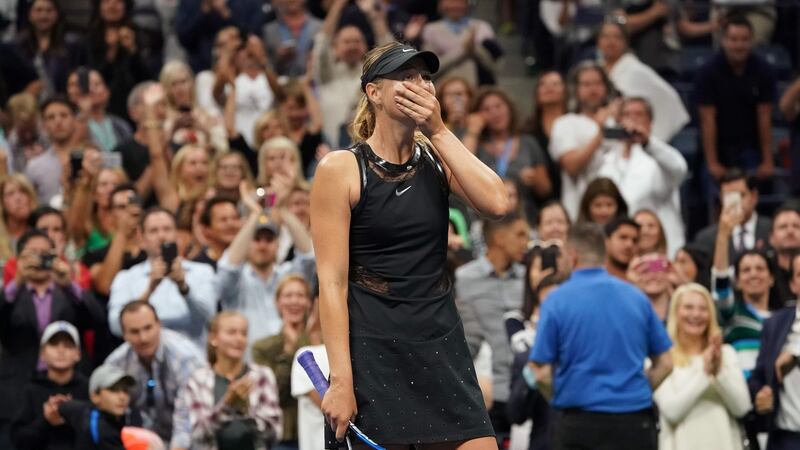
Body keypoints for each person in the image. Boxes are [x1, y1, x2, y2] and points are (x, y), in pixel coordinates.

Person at [311, 41, 507, 446]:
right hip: (374, 344)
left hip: (439, 337)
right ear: (374, 92)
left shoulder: (437, 154)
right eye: (404, 77)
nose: (419, 85)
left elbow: (497, 202)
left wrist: (437, 128)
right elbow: (331, 283)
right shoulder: (341, 168)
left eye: (424, 77)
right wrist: (341, 381)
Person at [529, 223, 673, 450]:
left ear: (572, 255)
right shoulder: (636, 297)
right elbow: (665, 364)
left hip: (578, 425)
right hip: (635, 424)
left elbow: (540, 373)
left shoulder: (556, 301)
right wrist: (636, 392)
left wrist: (559, 397)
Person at [0, 230, 104, 448]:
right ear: (18, 258)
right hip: (18, 388)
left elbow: (98, 320)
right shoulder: (11, 293)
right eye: (32, 253)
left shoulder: (66, 291)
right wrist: (17, 281)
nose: (39, 259)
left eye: (44, 253)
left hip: (68, 384)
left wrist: (70, 284)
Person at [456, 212, 529, 439]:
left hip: (525, 392)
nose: (526, 242)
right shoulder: (463, 278)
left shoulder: (528, 278)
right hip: (483, 395)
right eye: (519, 235)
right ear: (499, 238)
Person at [654, 283, 752, 450]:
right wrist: (706, 374)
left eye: (703, 308)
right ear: (675, 312)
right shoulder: (662, 358)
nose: (696, 314)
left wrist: (719, 373)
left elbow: (742, 407)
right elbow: (672, 411)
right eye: (688, 307)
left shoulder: (726, 354)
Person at [215, 183, 314, 346]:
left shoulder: (288, 276)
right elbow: (228, 268)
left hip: (289, 362)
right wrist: (254, 215)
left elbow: (308, 256)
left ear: (277, 245)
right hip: (250, 366)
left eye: (269, 239)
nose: (262, 245)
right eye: (257, 239)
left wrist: (283, 210)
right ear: (248, 242)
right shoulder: (238, 282)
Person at [107, 207, 217, 348]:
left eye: (167, 229)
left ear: (177, 234)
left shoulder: (202, 272)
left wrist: (184, 287)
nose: (161, 236)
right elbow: (116, 327)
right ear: (141, 237)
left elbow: (210, 320)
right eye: (153, 231)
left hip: (193, 362)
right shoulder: (126, 278)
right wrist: (149, 289)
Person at [172, 311, 282, 450]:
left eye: (243, 333)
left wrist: (246, 413)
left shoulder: (262, 376)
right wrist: (227, 406)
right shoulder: (198, 380)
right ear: (214, 338)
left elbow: (275, 433)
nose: (239, 338)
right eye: (231, 332)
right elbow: (198, 434)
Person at [105, 300, 207, 448]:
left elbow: (186, 421)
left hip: (193, 440)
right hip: (146, 439)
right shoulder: (116, 363)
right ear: (124, 334)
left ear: (159, 325)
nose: (143, 338)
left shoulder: (185, 357)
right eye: (134, 331)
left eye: (148, 328)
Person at [597, 96, 688, 256]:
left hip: (660, 246)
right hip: (623, 248)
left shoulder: (658, 156)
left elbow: (679, 169)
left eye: (638, 114)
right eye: (627, 114)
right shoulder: (607, 161)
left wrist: (647, 142)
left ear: (650, 121)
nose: (632, 119)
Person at [695, 15, 776, 181]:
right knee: (708, 181)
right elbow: (707, 119)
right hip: (717, 146)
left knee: (762, 184)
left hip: (750, 146)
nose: (739, 45)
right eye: (733, 39)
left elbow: (765, 116)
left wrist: (768, 160)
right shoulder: (707, 72)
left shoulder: (764, 70)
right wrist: (712, 163)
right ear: (723, 40)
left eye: (744, 40)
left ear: (752, 41)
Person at [311, 0, 392, 147]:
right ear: (335, 47)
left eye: (357, 41)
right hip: (332, 148)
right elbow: (322, 45)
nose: (352, 46)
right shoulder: (326, 75)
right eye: (347, 42)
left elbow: (389, 54)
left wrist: (376, 19)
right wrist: (337, 6)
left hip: (369, 146)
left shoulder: (372, 74)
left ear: (365, 46)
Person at [464, 87, 551, 223]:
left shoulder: (529, 143)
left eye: (498, 106)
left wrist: (534, 179)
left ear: (509, 108)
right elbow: (462, 164)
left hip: (524, 219)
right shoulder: (477, 145)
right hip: (485, 220)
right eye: (486, 109)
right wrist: (473, 130)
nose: (494, 113)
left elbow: (545, 189)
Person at [712, 202, 779, 376]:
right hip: (742, 396)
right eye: (746, 270)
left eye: (760, 269)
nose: (753, 274)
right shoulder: (732, 314)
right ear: (738, 282)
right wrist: (723, 234)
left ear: (771, 278)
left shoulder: (782, 320)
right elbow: (721, 283)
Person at [549, 61, 619, 221]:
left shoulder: (619, 122)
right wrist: (600, 132)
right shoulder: (565, 123)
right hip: (578, 213)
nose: (593, 89)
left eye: (597, 83)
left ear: (606, 87)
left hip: (617, 214)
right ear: (576, 90)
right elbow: (572, 166)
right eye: (586, 84)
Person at [597, 19, 688, 142]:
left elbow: (669, 97)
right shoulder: (595, 69)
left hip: (632, 136)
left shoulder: (636, 71)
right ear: (598, 41)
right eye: (606, 37)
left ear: (626, 42)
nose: (610, 42)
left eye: (617, 37)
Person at [252, 275, 316, 450]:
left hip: (319, 430)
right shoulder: (263, 347)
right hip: (285, 437)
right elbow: (274, 393)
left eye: (301, 295)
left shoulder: (323, 343)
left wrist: (298, 342)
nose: (294, 301)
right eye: (288, 296)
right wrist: (289, 352)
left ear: (310, 303)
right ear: (277, 303)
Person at [748, 251, 800, 450]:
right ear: (793, 285)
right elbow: (759, 376)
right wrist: (760, 393)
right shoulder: (775, 323)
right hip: (785, 439)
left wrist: (795, 354)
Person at [11, 321, 90, 450]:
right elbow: (18, 441)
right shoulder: (29, 389)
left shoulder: (89, 389)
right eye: (54, 344)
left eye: (68, 345)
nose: (61, 350)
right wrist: (45, 420)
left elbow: (100, 436)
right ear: (42, 354)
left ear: (78, 354)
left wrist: (74, 413)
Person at [14, 0, 86, 97]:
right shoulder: (17, 46)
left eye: (49, 10)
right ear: (29, 14)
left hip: (63, 101)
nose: (43, 15)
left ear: (57, 14)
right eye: (38, 10)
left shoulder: (72, 44)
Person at [693, 169, 772, 257]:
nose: (735, 203)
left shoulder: (772, 230)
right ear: (721, 199)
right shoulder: (706, 239)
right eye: (729, 196)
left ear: (754, 196)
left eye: (741, 195)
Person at [56, 364, 136, 449]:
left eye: (125, 390)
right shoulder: (103, 431)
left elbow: (67, 407)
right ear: (95, 396)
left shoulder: (82, 409)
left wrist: (61, 405)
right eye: (113, 390)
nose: (122, 397)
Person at [174, 0, 266, 73]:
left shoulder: (249, 2)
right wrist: (203, 12)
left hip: (244, 68)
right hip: (203, 68)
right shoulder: (190, 2)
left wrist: (226, 13)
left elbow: (254, 35)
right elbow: (183, 38)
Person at [421, 0, 497, 87]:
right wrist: (463, 49)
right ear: (441, 4)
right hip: (443, 91)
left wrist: (475, 48)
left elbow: (494, 66)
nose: (455, 5)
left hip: (476, 89)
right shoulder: (430, 30)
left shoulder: (483, 28)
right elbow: (429, 69)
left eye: (460, 1)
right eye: (451, 1)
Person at [25, 96, 82, 205]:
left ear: (74, 119)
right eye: (51, 117)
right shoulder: (34, 166)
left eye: (64, 115)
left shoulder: (90, 159)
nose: (58, 121)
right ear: (44, 125)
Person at [66, 68, 133, 152]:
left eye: (97, 84)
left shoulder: (120, 125)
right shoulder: (71, 123)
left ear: (107, 91)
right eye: (87, 85)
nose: (91, 89)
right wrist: (84, 113)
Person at [528, 70, 567, 204]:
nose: (549, 88)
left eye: (555, 84)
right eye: (543, 84)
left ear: (565, 91)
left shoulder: (576, 122)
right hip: (539, 199)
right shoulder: (528, 130)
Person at [262, 0, 322, 77]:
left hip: (314, 83)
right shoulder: (269, 31)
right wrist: (279, 60)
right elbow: (266, 67)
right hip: (282, 83)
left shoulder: (320, 27)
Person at [194, 196, 242, 270]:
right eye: (223, 220)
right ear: (206, 229)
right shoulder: (197, 266)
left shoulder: (252, 261)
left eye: (235, 218)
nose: (231, 224)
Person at [0, 173, 38, 261]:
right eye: (10, 194)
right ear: (2, 203)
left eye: (23, 191)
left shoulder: (42, 230)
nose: (18, 198)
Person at [769, 206, 800, 303]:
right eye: (783, 227)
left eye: (796, 226)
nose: (790, 231)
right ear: (771, 238)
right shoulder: (762, 270)